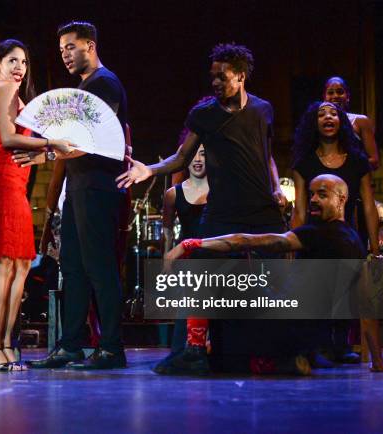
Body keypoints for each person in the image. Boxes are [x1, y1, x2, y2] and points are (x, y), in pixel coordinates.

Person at [116, 43, 286, 367]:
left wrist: (276, 187)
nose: (216, 82)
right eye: (213, 77)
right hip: (222, 209)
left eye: (222, 76)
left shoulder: (263, 110)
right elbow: (181, 156)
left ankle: (280, 351)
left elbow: (267, 157)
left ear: (240, 75)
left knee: (278, 277)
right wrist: (148, 170)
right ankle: (192, 351)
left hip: (262, 209)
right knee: (202, 276)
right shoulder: (204, 115)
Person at [167, 174, 383, 373]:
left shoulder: (316, 233)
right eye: (312, 194)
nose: (313, 200)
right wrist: (377, 361)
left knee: (208, 263)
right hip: (309, 339)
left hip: (283, 329)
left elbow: (247, 240)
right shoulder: (354, 241)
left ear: (341, 199)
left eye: (322, 195)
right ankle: (278, 359)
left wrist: (191, 244)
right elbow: (367, 308)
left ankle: (197, 352)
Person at [17, 21, 130, 370]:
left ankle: (111, 347)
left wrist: (43, 154)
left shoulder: (104, 83)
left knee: (100, 268)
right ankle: (70, 346)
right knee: (74, 269)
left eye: (71, 46)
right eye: (61, 48)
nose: (64, 53)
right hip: (78, 189)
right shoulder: (84, 86)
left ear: (90, 46)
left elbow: (96, 141)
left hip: (98, 187)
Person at [0, 39, 73, 371]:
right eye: (12, 60)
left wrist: (47, 150)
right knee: (3, 264)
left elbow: (34, 151)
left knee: (20, 266)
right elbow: (6, 138)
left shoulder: (23, 100)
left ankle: (5, 342)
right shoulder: (2, 89)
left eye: (24, 62)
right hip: (1, 180)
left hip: (17, 183)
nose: (19, 67)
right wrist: (50, 142)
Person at [291, 101, 380, 364]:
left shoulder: (357, 161)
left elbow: (369, 206)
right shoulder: (304, 162)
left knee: (345, 293)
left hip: (347, 236)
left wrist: (374, 247)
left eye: (333, 113)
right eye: (321, 114)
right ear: (314, 124)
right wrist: (293, 245)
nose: (328, 117)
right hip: (314, 237)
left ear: (341, 122)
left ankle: (341, 346)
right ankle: (317, 347)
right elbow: (300, 208)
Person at [153, 143, 208, 374]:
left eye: (203, 155)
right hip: (185, 257)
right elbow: (167, 231)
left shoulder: (221, 190)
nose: (197, 160)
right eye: (193, 155)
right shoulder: (173, 193)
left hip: (211, 254)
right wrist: (167, 262)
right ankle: (180, 353)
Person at [323, 76, 379, 170]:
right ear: (324, 98)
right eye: (330, 92)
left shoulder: (360, 121)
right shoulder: (319, 123)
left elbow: (374, 161)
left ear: (347, 96)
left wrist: (345, 166)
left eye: (340, 92)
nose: (335, 96)